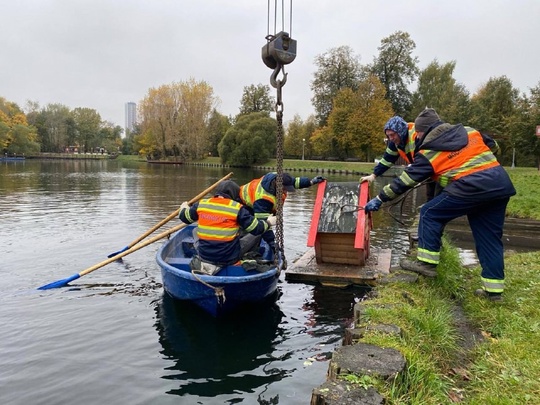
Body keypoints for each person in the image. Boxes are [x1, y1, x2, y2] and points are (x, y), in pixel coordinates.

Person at [364, 108, 516, 302]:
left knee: (429, 213)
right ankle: (494, 293)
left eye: (418, 133)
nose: (416, 137)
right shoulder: (469, 131)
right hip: (499, 184)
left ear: (426, 131)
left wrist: (379, 199)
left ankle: (427, 263)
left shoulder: (430, 150)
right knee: (489, 238)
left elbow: (405, 180)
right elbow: (493, 146)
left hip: (471, 186)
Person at [178, 180, 275, 273]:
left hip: (205, 257)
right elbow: (257, 228)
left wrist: (184, 207)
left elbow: (184, 217)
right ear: (234, 195)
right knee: (258, 234)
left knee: (195, 230)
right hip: (229, 259)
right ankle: (248, 255)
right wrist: (268, 222)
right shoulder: (237, 207)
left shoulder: (201, 204)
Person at [360, 115, 442, 201]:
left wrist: (381, 198)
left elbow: (420, 166)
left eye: (392, 135)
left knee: (436, 201)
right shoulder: (395, 141)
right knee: (431, 199)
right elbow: (387, 160)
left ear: (400, 132)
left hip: (438, 169)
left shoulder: (417, 136)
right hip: (429, 172)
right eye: (388, 136)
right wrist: (373, 176)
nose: (391, 138)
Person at [238, 172, 326, 252]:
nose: (286, 191)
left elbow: (294, 182)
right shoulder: (263, 198)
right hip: (243, 204)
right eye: (285, 189)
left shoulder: (279, 177)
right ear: (278, 185)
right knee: (255, 228)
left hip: (254, 201)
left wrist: (311, 182)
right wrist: (272, 242)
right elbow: (263, 222)